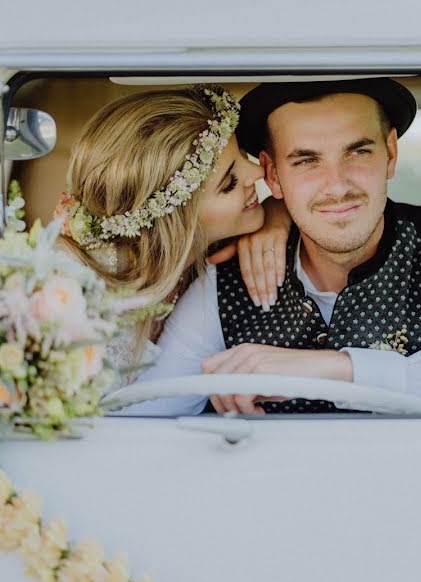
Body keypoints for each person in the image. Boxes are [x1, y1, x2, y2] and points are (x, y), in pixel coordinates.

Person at [131, 78, 421, 415]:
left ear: (390, 154)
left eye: (357, 151)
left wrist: (331, 369)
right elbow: (149, 418)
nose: (337, 186)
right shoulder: (223, 284)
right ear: (272, 175)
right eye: (306, 161)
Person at [54, 85, 287, 382]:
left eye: (242, 153)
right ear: (178, 223)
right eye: (229, 182)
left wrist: (279, 217)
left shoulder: (218, 248)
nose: (255, 173)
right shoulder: (75, 301)